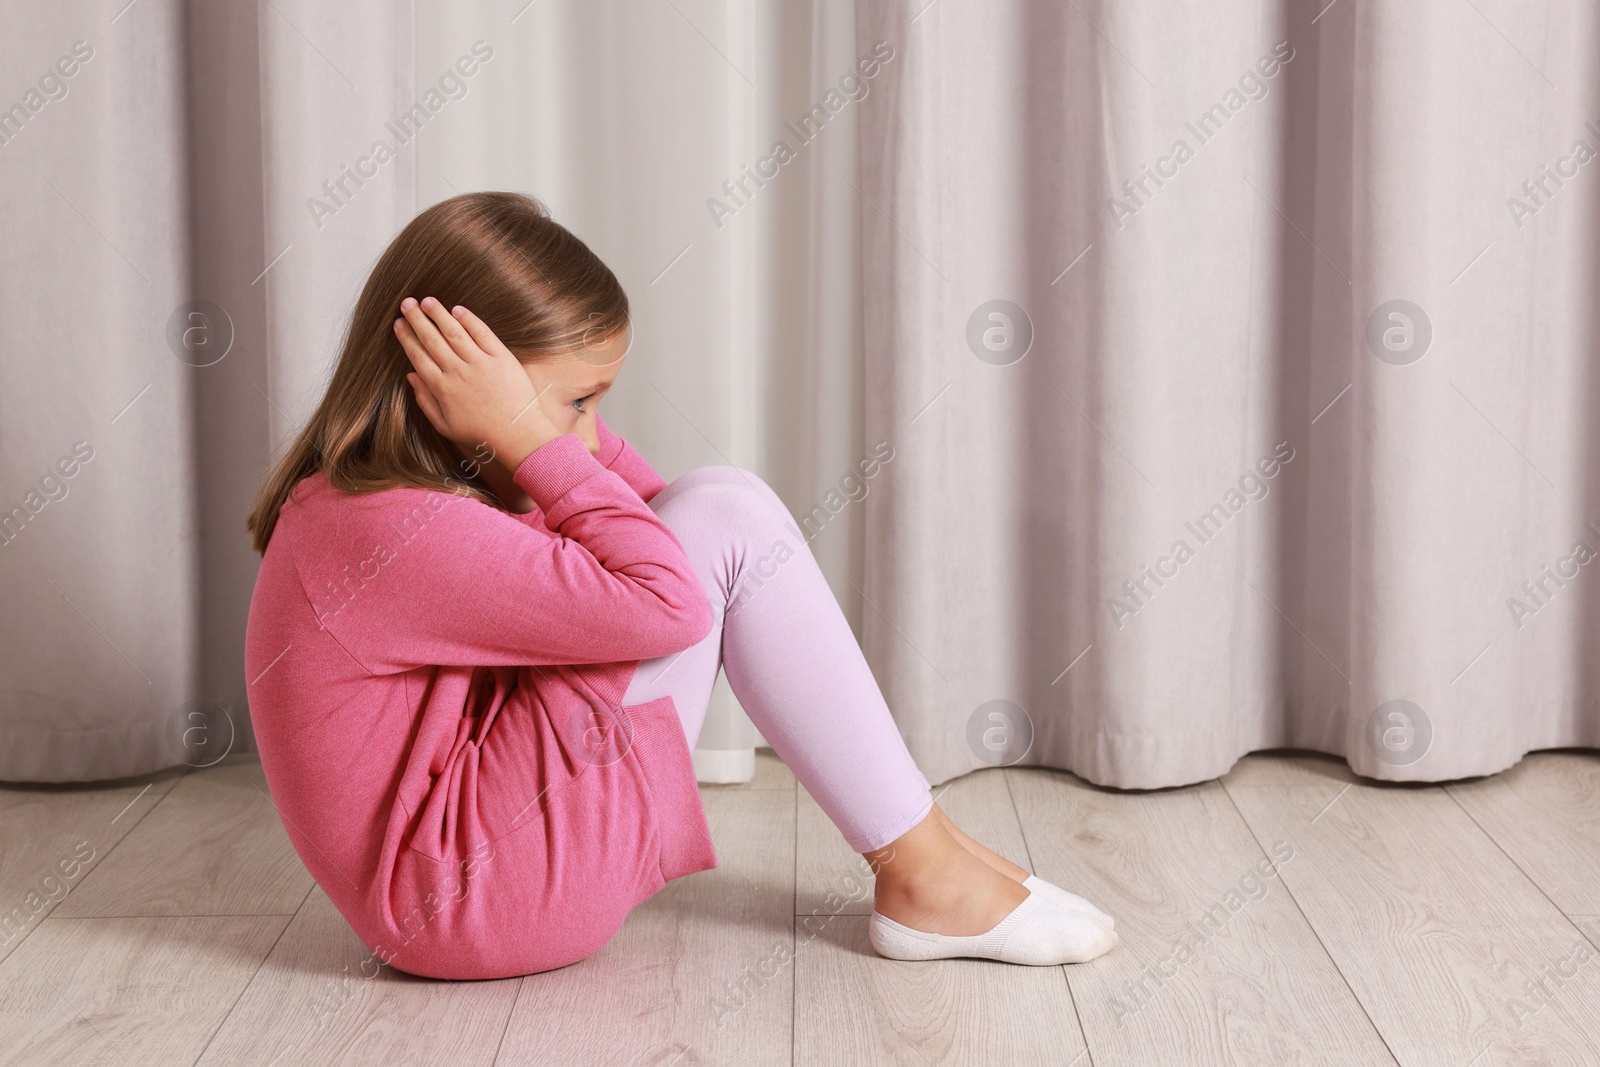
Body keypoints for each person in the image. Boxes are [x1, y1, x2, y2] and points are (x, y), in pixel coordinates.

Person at [243, 191, 1117, 979]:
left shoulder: (395, 497)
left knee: (717, 509)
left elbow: (658, 522)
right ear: (444, 391)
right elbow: (673, 595)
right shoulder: (390, 529)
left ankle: (930, 849)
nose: (587, 439)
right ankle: (924, 870)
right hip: (468, 902)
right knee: (725, 518)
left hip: (478, 875)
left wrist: (542, 430)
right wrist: (523, 431)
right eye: (576, 402)